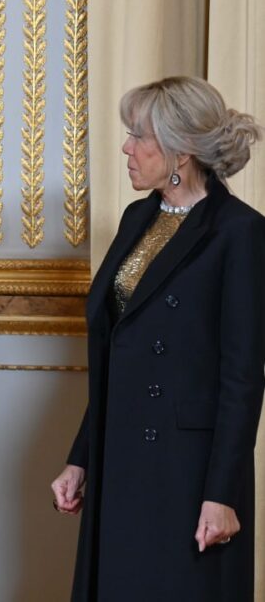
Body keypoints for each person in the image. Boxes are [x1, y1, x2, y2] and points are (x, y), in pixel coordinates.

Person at [50, 76, 265, 601]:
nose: (126, 147)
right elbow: (117, 356)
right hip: (121, 453)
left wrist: (221, 493)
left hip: (186, 472)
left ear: (181, 150)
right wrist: (81, 457)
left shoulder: (238, 231)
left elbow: (242, 377)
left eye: (139, 135)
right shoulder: (138, 216)